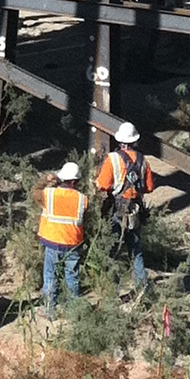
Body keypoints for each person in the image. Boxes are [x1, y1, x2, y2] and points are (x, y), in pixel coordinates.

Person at [96, 121, 158, 292]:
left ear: (120, 141)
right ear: (135, 141)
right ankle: (142, 288)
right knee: (135, 250)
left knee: (113, 249)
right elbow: (149, 187)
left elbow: (102, 185)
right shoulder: (143, 160)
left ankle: (113, 289)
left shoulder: (113, 159)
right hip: (135, 210)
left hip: (117, 209)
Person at [36, 160, 87, 317]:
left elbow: (36, 191)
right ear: (74, 181)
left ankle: (49, 309)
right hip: (72, 244)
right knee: (72, 277)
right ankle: (73, 311)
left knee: (50, 275)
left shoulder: (49, 194)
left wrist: (47, 179)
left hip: (52, 242)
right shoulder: (82, 198)